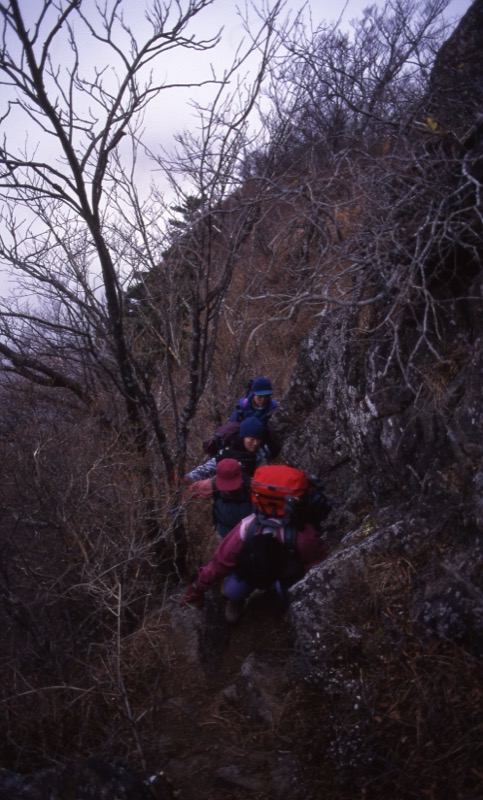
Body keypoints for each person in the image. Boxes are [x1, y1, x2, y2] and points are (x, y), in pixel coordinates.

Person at [180, 507, 327, 623]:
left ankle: (287, 600)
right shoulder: (246, 532)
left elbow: (315, 566)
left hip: (285, 571)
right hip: (265, 569)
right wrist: (197, 587)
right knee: (232, 591)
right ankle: (240, 598)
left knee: (285, 594)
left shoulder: (300, 536)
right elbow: (218, 563)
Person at [184, 417, 270, 484]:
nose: (255, 443)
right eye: (252, 439)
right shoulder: (229, 451)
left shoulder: (260, 454)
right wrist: (189, 477)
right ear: (243, 437)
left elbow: (265, 475)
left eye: (258, 439)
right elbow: (209, 467)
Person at [184, 458, 253, 539]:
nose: (228, 489)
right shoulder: (211, 485)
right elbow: (191, 491)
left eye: (232, 485)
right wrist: (182, 502)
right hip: (223, 535)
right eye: (225, 485)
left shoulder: (252, 487)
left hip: (247, 537)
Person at [229, 376, 280, 457]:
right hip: (243, 443)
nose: (263, 400)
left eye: (266, 396)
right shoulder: (242, 406)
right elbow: (233, 425)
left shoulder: (274, 408)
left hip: (261, 443)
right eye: (260, 396)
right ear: (253, 394)